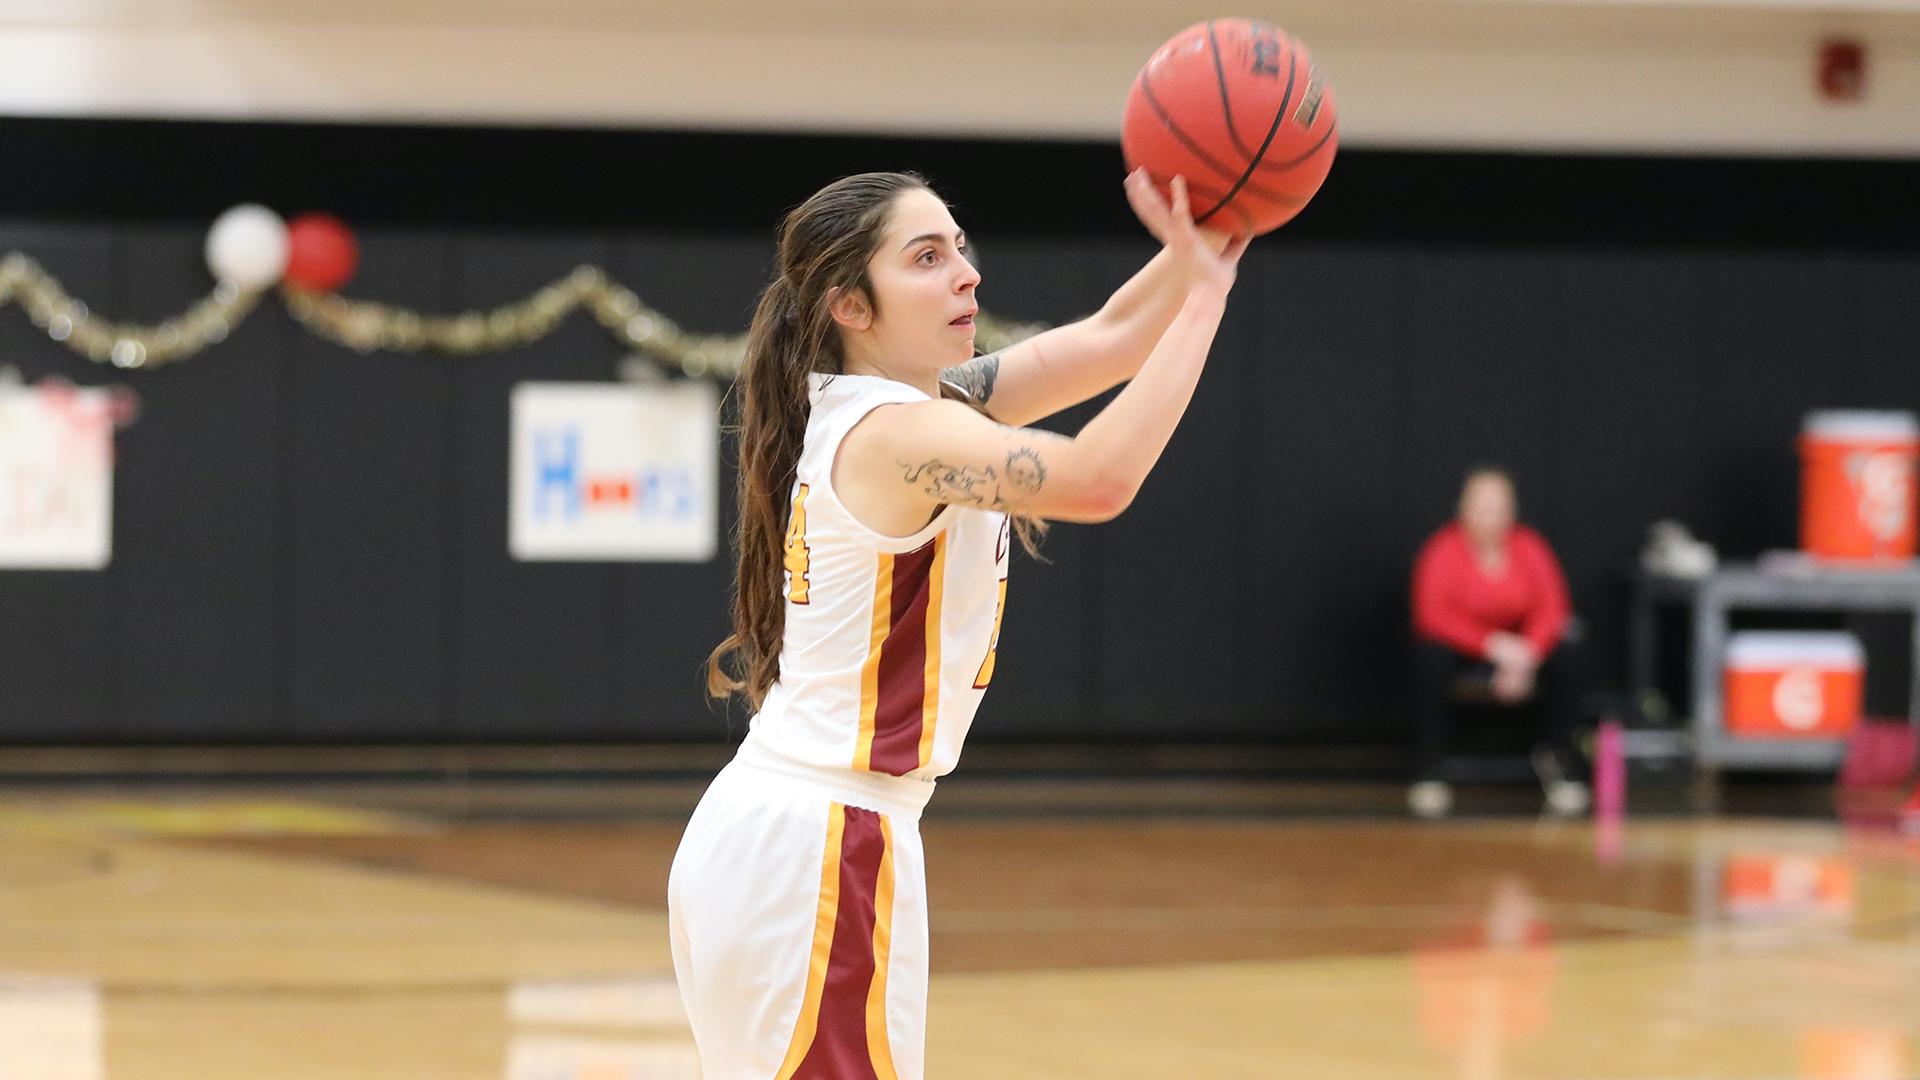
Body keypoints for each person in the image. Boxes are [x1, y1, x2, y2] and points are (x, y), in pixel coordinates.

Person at [671, 169, 1246, 1080]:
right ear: (851, 305)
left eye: (960, 247)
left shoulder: (915, 406)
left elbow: (1113, 335)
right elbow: (1098, 478)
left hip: (787, 837)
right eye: (927, 257)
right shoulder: (902, 436)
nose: (967, 273)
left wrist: (1206, 244)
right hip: (822, 846)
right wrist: (1206, 300)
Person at [1408, 467, 1587, 819]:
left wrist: (1527, 654)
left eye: (1497, 508)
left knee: (1571, 650)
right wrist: (1492, 645)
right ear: (1463, 510)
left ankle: (1557, 759)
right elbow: (1431, 615)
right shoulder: (1443, 548)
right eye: (1481, 507)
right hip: (1467, 650)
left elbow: (1553, 608)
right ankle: (1429, 768)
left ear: (1511, 512)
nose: (1489, 518)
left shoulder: (1529, 546)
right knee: (1428, 655)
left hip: (1522, 651)